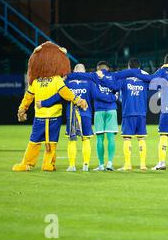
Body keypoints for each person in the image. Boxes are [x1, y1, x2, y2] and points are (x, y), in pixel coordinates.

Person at [12, 42, 88, 172]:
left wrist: (22, 108)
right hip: (53, 116)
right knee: (50, 142)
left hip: (41, 116)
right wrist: (77, 100)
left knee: (36, 141)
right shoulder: (57, 80)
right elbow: (66, 93)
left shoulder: (36, 81)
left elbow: (28, 97)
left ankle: (28, 163)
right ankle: (48, 164)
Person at [112, 53, 168, 170]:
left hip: (166, 110)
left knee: (164, 136)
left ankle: (162, 162)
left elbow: (151, 80)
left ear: (165, 63)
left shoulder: (161, 71)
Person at [37, 63, 116, 171]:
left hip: (72, 115)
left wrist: (43, 103)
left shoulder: (68, 82)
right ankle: (85, 165)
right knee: (86, 139)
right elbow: (99, 95)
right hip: (86, 114)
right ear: (84, 72)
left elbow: (58, 96)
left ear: (74, 71)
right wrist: (112, 97)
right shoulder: (89, 82)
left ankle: (72, 166)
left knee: (72, 140)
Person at [94, 58, 149, 171]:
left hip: (128, 112)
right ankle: (143, 165)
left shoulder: (124, 78)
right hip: (141, 112)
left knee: (127, 138)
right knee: (141, 138)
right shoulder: (145, 78)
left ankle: (128, 165)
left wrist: (103, 78)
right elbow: (156, 84)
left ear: (128, 67)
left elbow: (114, 87)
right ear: (139, 67)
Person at [67, 61, 119, 171]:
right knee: (110, 138)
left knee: (99, 138)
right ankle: (109, 163)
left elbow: (96, 95)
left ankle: (100, 165)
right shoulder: (113, 77)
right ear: (107, 68)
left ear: (97, 69)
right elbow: (117, 90)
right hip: (111, 109)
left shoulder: (92, 79)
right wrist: (113, 98)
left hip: (99, 110)